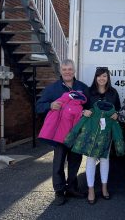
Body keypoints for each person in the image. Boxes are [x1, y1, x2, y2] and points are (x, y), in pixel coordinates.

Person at [36, 59, 88, 206]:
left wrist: (87, 111)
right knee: (58, 163)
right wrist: (50, 105)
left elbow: (90, 106)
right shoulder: (53, 89)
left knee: (75, 162)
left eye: (70, 69)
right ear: (60, 71)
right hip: (59, 135)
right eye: (64, 69)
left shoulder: (82, 88)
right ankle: (59, 191)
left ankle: (72, 188)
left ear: (74, 71)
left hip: (76, 134)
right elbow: (39, 106)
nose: (67, 72)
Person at [80, 67, 121, 204]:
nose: (101, 78)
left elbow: (118, 109)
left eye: (104, 76)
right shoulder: (89, 92)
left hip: (106, 131)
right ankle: (91, 189)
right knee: (91, 159)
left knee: (105, 159)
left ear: (108, 78)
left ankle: (104, 187)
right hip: (92, 130)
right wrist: (84, 111)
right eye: (99, 76)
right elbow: (82, 107)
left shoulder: (113, 92)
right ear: (95, 77)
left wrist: (117, 115)